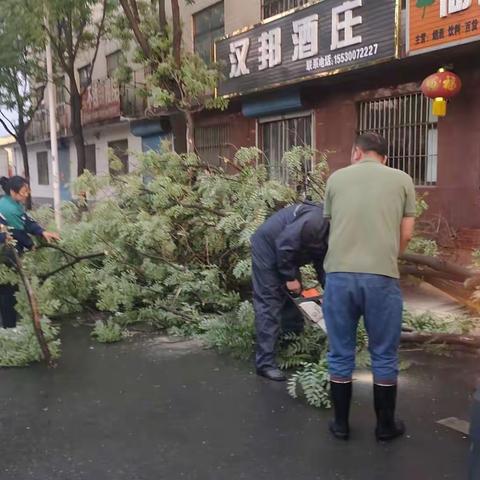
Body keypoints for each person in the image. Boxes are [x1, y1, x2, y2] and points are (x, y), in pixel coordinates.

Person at [322, 132, 416, 442]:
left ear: (356, 152)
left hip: (338, 276)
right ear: (385, 158)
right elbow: (407, 233)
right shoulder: (402, 179)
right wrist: (388, 258)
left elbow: (332, 225)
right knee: (384, 355)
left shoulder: (336, 179)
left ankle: (340, 425)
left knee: (340, 352)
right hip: (381, 278)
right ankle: (385, 427)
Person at [250, 201, 329, 381]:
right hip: (269, 248)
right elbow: (284, 244)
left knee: (292, 300)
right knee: (269, 303)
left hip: (288, 256)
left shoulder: (334, 232)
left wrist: (330, 293)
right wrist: (290, 277)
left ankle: (291, 347)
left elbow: (322, 264)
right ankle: (265, 364)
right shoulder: (315, 221)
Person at [0, 176, 60, 328]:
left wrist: (42, 232)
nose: (26, 194)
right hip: (5, 254)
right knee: (8, 290)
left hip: (9, 251)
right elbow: (16, 232)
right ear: (13, 192)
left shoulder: (13, 203)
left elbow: (27, 221)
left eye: (27, 191)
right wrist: (30, 243)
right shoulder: (8, 208)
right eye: (23, 192)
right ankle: (9, 328)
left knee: (8, 288)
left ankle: (9, 324)